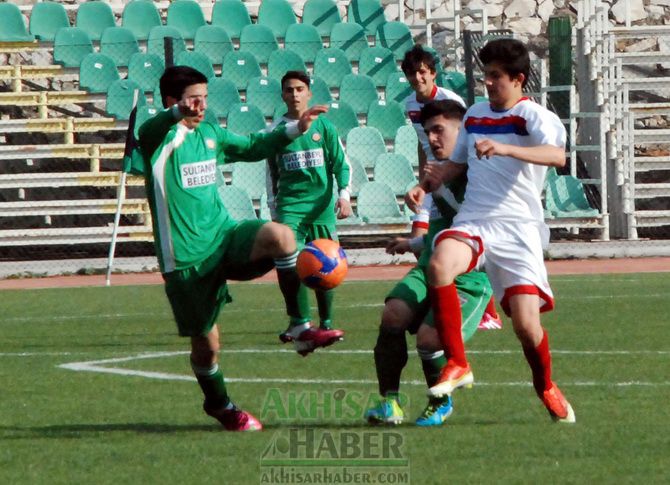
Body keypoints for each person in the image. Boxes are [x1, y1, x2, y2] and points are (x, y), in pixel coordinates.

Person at [137, 66, 335, 431]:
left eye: (205, 98)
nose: (202, 106)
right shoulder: (158, 140)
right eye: (194, 99)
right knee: (207, 346)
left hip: (225, 236)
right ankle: (220, 405)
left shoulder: (210, 133)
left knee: (283, 237)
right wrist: (176, 113)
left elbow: (254, 147)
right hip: (186, 258)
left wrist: (296, 128)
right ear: (171, 102)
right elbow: (147, 130)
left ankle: (299, 326)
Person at [406, 39, 576, 423]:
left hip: (519, 229)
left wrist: (506, 149)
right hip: (477, 219)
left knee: (528, 328)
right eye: (485, 76)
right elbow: (458, 164)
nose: (488, 83)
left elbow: (557, 156)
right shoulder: (476, 114)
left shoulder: (534, 116)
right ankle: (458, 362)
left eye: (496, 77)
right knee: (439, 264)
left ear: (518, 79)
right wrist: (428, 184)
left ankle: (545, 385)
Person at [364, 100, 493, 427]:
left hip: (469, 276)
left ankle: (440, 402)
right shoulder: (434, 177)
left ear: (462, 133)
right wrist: (413, 243)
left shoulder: (482, 176)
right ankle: (390, 404)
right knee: (393, 313)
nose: (432, 139)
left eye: (440, 130)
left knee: (428, 339)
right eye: (428, 132)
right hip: (430, 267)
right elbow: (439, 230)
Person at [402, 44, 502, 331]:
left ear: (432, 73)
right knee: (423, 240)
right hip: (434, 180)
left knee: (456, 241)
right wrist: (423, 181)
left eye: (421, 72)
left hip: (452, 177)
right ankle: (442, 299)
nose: (417, 78)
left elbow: (464, 141)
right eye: (411, 73)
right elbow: (424, 147)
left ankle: (484, 308)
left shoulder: (450, 100)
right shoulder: (410, 105)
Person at [266, 71, 352, 346]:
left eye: (299, 89)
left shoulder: (325, 127)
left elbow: (341, 163)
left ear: (309, 93)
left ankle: (326, 322)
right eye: (289, 90)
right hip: (290, 207)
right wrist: (273, 207)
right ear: (282, 95)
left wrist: (345, 195)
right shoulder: (277, 131)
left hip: (322, 208)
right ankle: (297, 322)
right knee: (288, 264)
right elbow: (270, 173)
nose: (294, 94)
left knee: (327, 263)